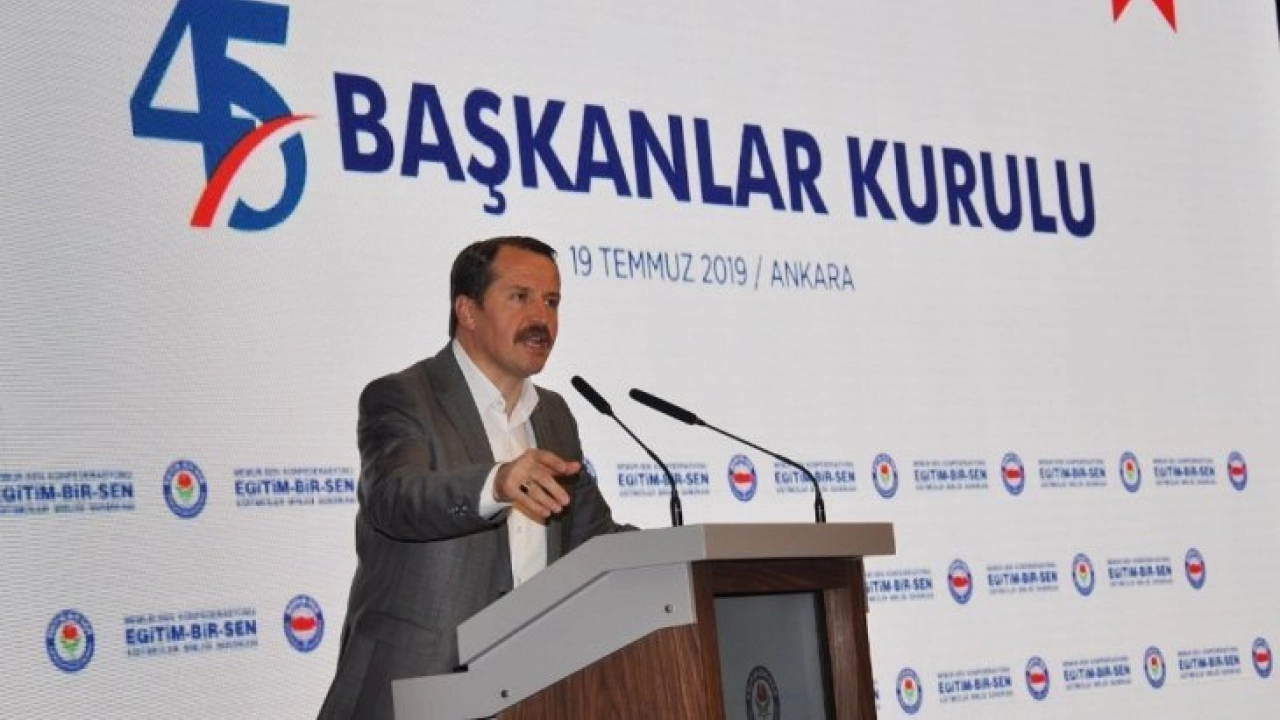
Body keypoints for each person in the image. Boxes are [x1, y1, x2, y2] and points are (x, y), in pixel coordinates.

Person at [319, 236, 633, 719]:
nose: (542, 318)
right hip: (416, 689)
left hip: (529, 691)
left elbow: (592, 537)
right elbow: (395, 497)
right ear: (467, 311)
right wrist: (497, 483)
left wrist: (692, 551)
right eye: (520, 297)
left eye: (552, 302)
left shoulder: (554, 415)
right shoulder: (403, 397)